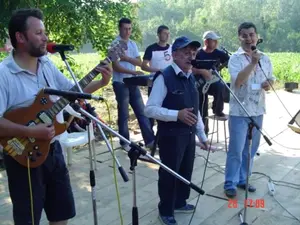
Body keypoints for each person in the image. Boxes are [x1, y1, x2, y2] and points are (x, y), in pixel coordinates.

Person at [0, 8, 112, 225]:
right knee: (28, 219)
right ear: (20, 37)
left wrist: (100, 82)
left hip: (53, 151)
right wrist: (31, 131)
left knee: (61, 215)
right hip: (23, 158)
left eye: (45, 32)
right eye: (39, 33)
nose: (46, 38)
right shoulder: (3, 74)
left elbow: (70, 92)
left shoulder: (47, 65)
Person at [145, 36, 209, 225]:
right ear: (174, 55)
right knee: (170, 173)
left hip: (188, 136)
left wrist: (202, 136)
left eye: (193, 53)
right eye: (186, 53)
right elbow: (149, 109)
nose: (191, 57)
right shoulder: (164, 77)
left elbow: (195, 110)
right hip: (170, 136)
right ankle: (165, 210)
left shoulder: (190, 78)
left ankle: (180, 202)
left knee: (185, 170)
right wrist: (176, 115)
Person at [224, 22, 275, 198]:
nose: (248, 38)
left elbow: (271, 77)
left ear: (256, 36)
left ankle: (243, 179)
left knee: (251, 149)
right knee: (236, 149)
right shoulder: (235, 59)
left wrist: (269, 83)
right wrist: (252, 62)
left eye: (251, 34)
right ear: (239, 37)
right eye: (244, 35)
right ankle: (229, 182)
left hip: (258, 110)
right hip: (239, 111)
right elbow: (238, 82)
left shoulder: (265, 58)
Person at [111, 18, 155, 151]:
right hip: (120, 82)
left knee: (141, 112)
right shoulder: (115, 44)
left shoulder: (133, 44)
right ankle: (124, 142)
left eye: (130, 28)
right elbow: (116, 67)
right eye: (125, 28)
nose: (128, 31)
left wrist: (127, 59)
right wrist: (133, 72)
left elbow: (139, 62)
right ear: (119, 28)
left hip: (133, 82)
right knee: (124, 114)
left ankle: (150, 141)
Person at [192, 31, 230, 133]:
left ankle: (217, 110)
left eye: (216, 41)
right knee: (202, 103)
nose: (216, 42)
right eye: (214, 40)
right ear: (206, 42)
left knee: (220, 86)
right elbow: (190, 69)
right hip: (199, 82)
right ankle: (204, 131)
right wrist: (202, 72)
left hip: (214, 82)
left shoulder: (219, 54)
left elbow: (230, 62)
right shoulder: (198, 54)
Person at [141, 25, 173, 130]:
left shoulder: (172, 49)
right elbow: (144, 66)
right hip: (155, 82)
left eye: (168, 33)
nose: (167, 35)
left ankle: (164, 132)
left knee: (167, 108)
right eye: (165, 33)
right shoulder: (151, 49)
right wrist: (158, 70)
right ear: (159, 34)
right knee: (153, 109)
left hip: (170, 83)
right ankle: (151, 137)